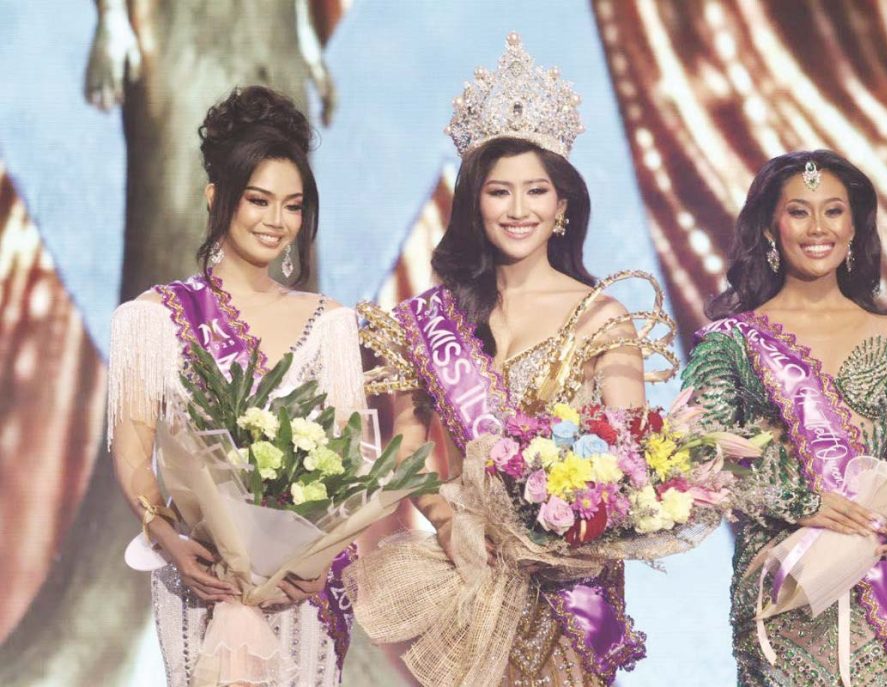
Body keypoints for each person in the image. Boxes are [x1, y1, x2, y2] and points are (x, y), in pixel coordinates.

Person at [354, 34, 677, 685]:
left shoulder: (602, 316)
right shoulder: (430, 320)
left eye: (537, 191)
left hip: (572, 584)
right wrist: (449, 523)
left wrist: (573, 516)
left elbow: (633, 454)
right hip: (469, 577)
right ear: (475, 203)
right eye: (500, 192)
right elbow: (407, 450)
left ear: (562, 206)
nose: (519, 209)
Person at [106, 85, 364, 686]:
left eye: (293, 206)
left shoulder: (330, 324)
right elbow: (134, 454)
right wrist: (167, 537)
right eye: (258, 200)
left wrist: (318, 558)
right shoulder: (154, 318)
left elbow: (350, 465)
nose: (277, 222)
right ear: (216, 196)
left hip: (303, 588)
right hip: (202, 577)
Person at [682, 150, 887, 685]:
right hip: (780, 589)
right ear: (770, 227)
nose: (818, 228)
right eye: (798, 212)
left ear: (854, 226)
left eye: (833, 211)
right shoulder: (733, 343)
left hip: (872, 592)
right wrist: (799, 501)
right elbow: (700, 460)